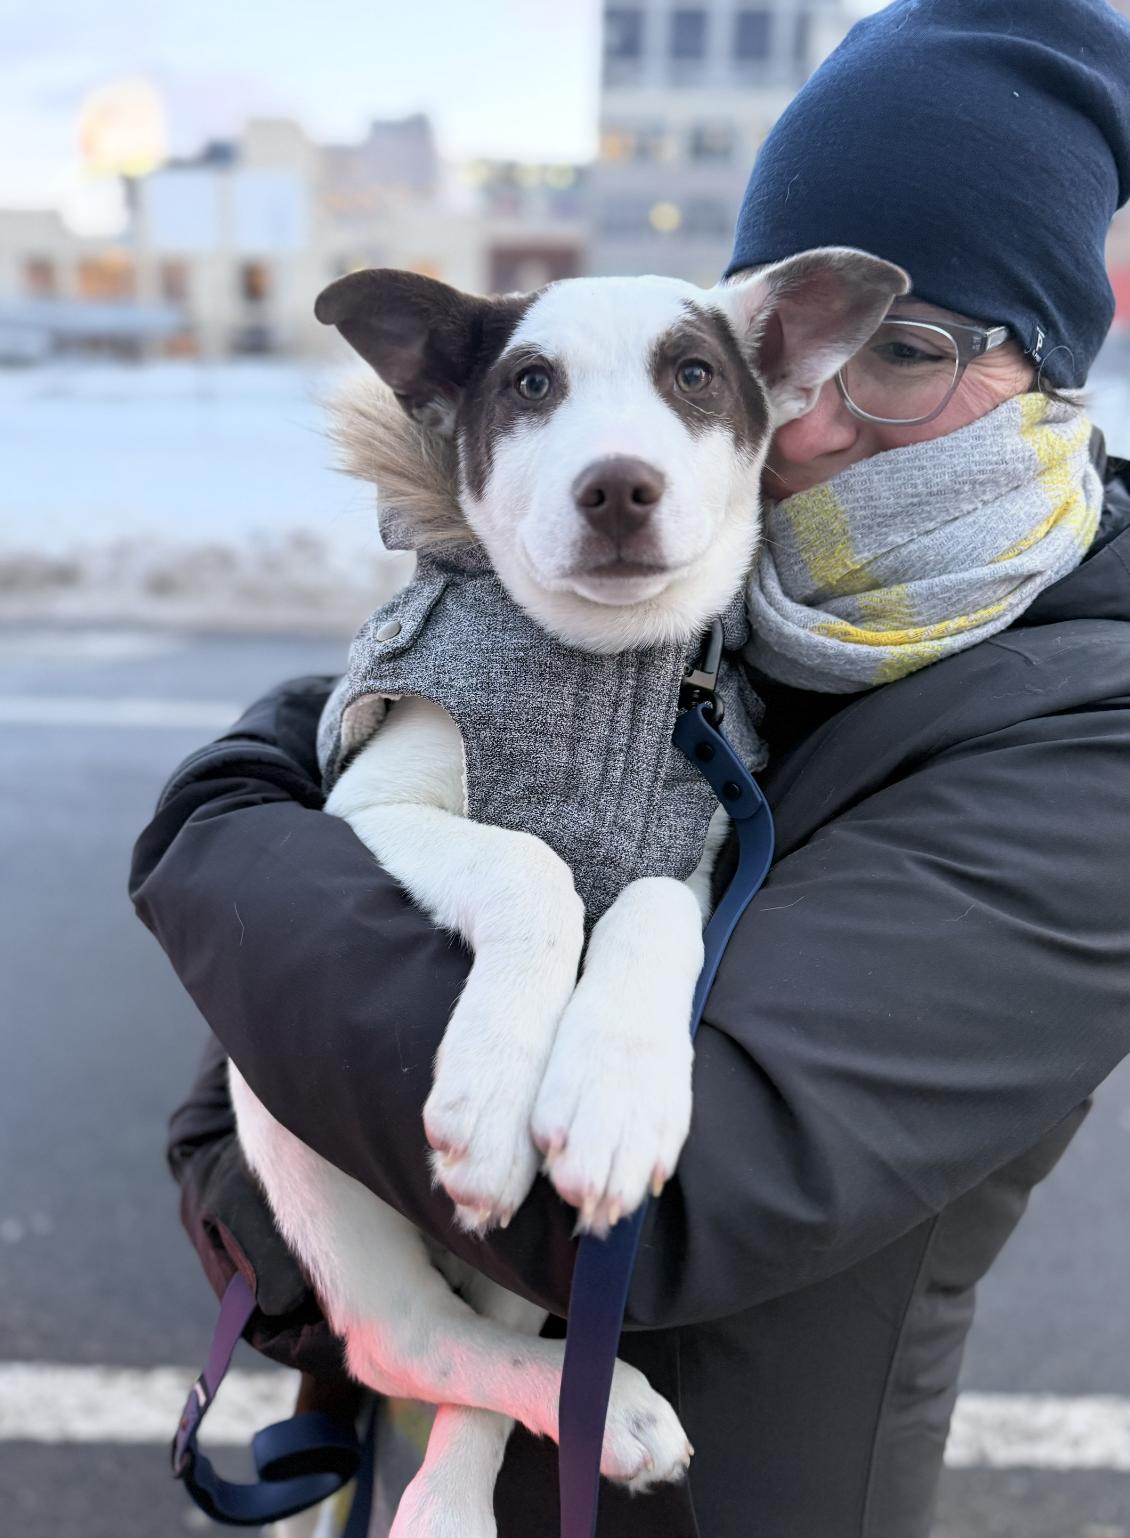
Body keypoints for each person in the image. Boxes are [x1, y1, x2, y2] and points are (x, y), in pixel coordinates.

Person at [130, 2, 1130, 1534]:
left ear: (1054, 360)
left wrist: (219, 840)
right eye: (794, 356)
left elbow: (669, 1205)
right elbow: (247, 1105)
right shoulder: (702, 604)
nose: (811, 426)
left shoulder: (1086, 723)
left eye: (905, 353)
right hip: (451, 1461)